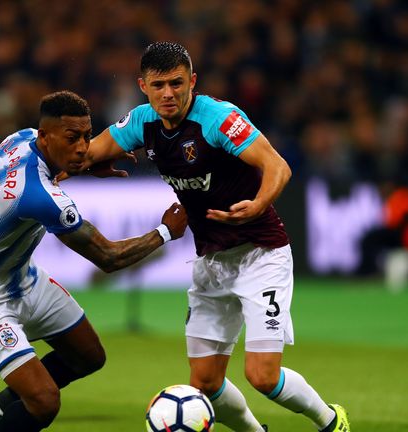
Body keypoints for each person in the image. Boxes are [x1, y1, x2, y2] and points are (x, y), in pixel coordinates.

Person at [84, 42, 351, 432]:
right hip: (211, 262)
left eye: (177, 83)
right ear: (143, 85)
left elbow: (277, 166)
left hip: (261, 254)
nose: (168, 94)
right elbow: (88, 152)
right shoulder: (142, 122)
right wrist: (76, 168)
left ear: (193, 80)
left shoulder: (218, 119)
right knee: (205, 383)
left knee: (262, 376)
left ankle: (330, 420)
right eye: (158, 85)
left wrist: (259, 203)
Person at [0, 90, 188, 432]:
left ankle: (0, 404)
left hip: (22, 278)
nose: (84, 147)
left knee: (89, 356)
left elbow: (39, 169)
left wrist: (81, 166)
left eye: (87, 136)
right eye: (73, 138)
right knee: (44, 402)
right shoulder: (41, 198)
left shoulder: (21, 139)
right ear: (46, 135)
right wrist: (165, 232)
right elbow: (108, 257)